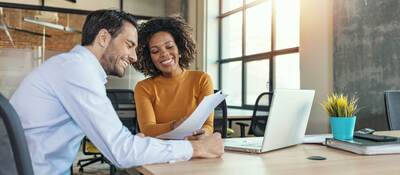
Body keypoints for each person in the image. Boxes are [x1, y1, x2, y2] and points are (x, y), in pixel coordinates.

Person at [10, 10, 223, 175]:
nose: (134, 57)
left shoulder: (74, 68)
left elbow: (119, 143)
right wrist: (196, 149)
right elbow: (121, 151)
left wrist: (138, 143)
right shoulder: (76, 70)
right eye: (129, 45)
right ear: (103, 38)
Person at [133, 16, 214, 139]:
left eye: (169, 46)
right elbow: (147, 129)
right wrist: (175, 125)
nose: (164, 54)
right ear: (149, 58)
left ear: (180, 49)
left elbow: (208, 125)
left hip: (194, 147)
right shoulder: (143, 87)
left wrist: (204, 133)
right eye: (155, 51)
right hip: (161, 151)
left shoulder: (202, 79)